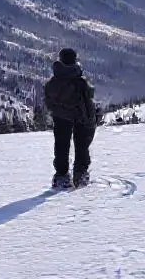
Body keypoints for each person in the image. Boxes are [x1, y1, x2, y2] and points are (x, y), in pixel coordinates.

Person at [43, 48, 97, 188]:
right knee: (82, 146)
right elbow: (88, 101)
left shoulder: (53, 81)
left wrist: (58, 110)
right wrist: (91, 119)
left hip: (60, 117)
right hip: (80, 117)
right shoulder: (80, 81)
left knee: (61, 146)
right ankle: (80, 174)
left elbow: (48, 101)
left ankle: (61, 176)